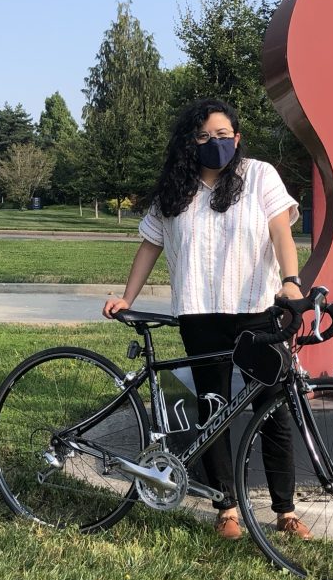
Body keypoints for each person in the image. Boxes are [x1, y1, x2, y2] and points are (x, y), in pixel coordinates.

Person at [102, 98, 311, 541]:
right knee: (214, 412)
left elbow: (280, 231)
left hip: (258, 309)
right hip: (200, 312)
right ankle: (226, 507)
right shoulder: (176, 190)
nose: (215, 144)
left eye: (222, 135)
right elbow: (149, 246)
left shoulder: (258, 176)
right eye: (203, 137)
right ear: (189, 143)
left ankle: (285, 511)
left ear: (237, 138)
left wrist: (291, 281)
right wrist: (126, 296)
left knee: (272, 408)